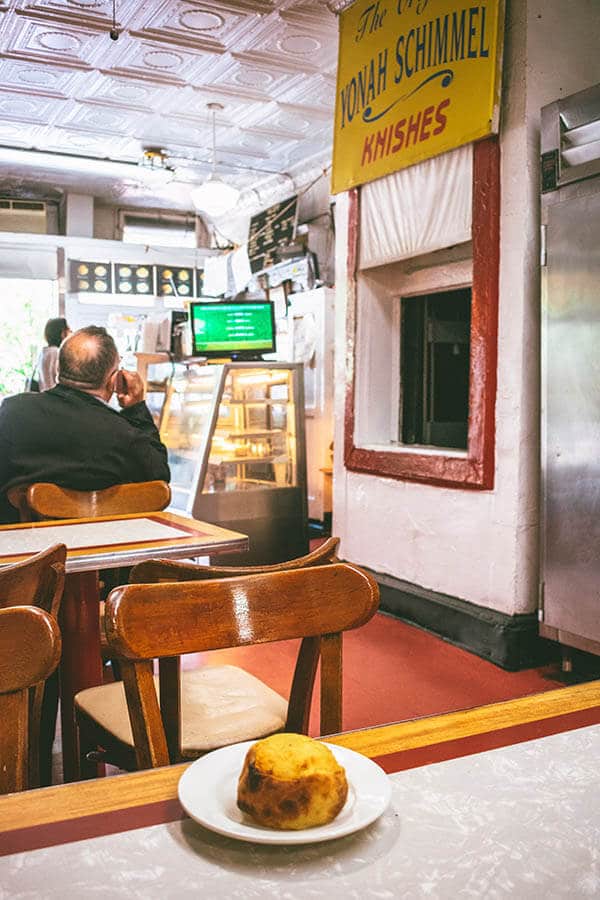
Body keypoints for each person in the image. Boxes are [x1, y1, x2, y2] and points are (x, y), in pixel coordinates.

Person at [0, 325, 170, 524]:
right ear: (113, 381)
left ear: (58, 369)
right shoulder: (122, 433)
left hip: (21, 552)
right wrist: (136, 409)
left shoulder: (11, 411)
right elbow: (159, 477)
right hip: (101, 549)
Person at [33, 317, 71, 391]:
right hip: (57, 398)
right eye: (69, 329)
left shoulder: (44, 352)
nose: (72, 332)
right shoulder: (58, 353)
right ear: (63, 333)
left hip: (45, 397)